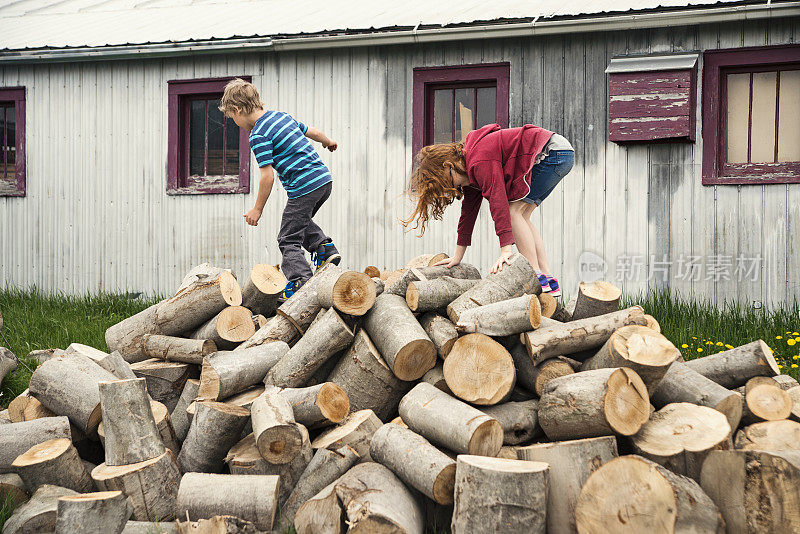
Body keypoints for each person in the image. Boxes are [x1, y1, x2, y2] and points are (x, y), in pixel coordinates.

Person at [403, 123, 574, 296]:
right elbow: (468, 214)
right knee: (523, 214)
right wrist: (458, 255)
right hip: (561, 152)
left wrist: (506, 249)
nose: (449, 187)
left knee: (513, 212)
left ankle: (536, 275)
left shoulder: (479, 161)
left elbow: (497, 200)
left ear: (449, 166)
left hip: (550, 154)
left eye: (445, 181)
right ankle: (547, 277)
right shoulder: (470, 169)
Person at [219, 79, 341, 299]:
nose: (235, 122)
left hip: (303, 187)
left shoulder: (258, 135)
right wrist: (328, 141)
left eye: (232, 117)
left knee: (287, 238)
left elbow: (267, 176)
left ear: (237, 110)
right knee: (298, 223)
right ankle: (324, 249)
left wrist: (257, 209)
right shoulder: (281, 116)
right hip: (323, 181)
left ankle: (300, 280)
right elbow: (310, 131)